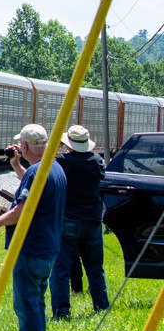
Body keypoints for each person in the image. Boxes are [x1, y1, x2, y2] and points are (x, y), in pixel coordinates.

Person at [0, 124, 67, 331]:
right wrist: (16, 165)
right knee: (37, 301)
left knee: (26, 304)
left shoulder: (36, 172)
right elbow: (35, 188)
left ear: (23, 146)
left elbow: (22, 210)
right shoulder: (55, 168)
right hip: (49, 248)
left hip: (31, 248)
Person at [49, 125, 109, 317]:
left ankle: (61, 311)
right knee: (95, 269)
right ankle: (101, 307)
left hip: (68, 219)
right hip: (92, 219)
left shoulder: (61, 161)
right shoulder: (97, 160)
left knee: (61, 271)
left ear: (69, 143)